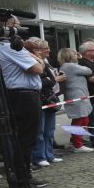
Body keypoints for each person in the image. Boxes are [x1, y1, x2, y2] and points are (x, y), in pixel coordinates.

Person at [0, 31, 47, 188]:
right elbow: (38, 68)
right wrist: (37, 59)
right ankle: (21, 178)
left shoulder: (9, 47)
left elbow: (39, 66)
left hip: (24, 96)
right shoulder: (10, 47)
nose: (19, 31)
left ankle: (24, 175)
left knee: (26, 138)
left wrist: (37, 60)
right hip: (23, 97)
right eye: (15, 26)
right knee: (25, 139)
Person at [29, 39, 65, 167]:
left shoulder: (46, 62)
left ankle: (49, 155)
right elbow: (43, 81)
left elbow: (49, 80)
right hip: (40, 98)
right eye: (45, 48)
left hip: (49, 98)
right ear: (36, 50)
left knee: (49, 130)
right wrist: (54, 79)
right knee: (40, 130)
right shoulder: (33, 62)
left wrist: (52, 79)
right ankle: (40, 157)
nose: (48, 50)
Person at [58, 48, 94, 153]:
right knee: (79, 121)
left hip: (79, 96)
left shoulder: (68, 66)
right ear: (70, 56)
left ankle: (76, 140)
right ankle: (78, 145)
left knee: (84, 119)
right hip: (77, 96)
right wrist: (81, 58)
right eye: (75, 54)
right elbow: (88, 71)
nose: (77, 55)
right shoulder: (70, 66)